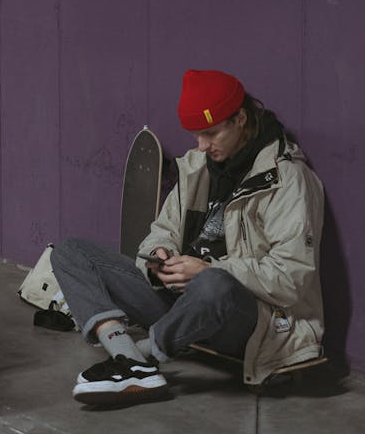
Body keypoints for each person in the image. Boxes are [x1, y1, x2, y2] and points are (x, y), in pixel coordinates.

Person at [51, 69, 325, 403]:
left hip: (246, 320)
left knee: (214, 285)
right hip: (181, 306)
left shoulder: (287, 179)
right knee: (69, 252)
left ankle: (139, 357)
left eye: (210, 133)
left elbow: (291, 277)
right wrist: (160, 255)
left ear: (240, 119)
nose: (201, 146)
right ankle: (132, 359)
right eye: (196, 135)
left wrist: (209, 269)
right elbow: (161, 231)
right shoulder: (197, 168)